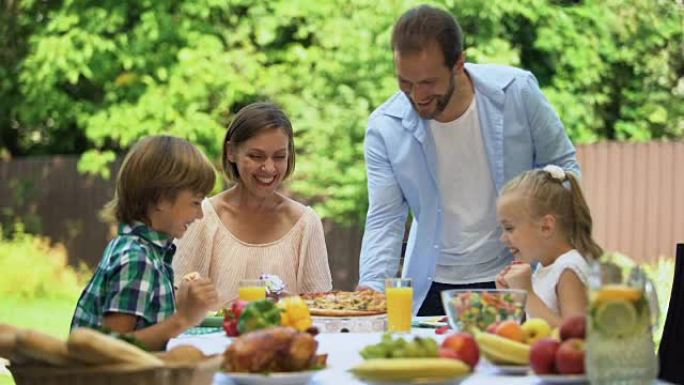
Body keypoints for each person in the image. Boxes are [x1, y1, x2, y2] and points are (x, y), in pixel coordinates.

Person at [357, 4, 580, 316]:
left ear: (458, 63)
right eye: (406, 83)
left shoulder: (517, 92)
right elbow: (385, 218)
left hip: (517, 277)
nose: (418, 95)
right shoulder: (385, 127)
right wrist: (371, 287)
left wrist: (555, 255)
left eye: (429, 83)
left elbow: (564, 168)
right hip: (430, 286)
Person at [173, 102, 332, 305]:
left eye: (279, 157)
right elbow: (176, 301)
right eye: (256, 156)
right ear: (231, 152)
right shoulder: (202, 216)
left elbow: (320, 308)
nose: (269, 168)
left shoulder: (306, 223)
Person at [70, 135, 219, 350]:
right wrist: (183, 319)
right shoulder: (136, 259)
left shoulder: (143, 250)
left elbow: (144, 322)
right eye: (195, 203)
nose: (199, 215)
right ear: (161, 199)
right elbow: (111, 349)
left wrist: (180, 305)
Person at [495, 165, 602, 326]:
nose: (503, 238)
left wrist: (528, 294)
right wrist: (512, 297)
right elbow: (532, 327)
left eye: (509, 228)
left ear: (546, 227)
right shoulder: (544, 268)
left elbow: (574, 338)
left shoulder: (569, 269)